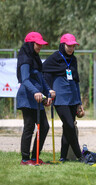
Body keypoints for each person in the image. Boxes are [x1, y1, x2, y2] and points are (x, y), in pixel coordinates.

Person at [42, 33, 84, 162]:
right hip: (60, 99)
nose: (71, 48)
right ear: (62, 45)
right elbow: (44, 74)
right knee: (70, 126)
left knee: (67, 129)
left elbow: (76, 81)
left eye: (73, 46)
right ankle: (80, 156)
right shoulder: (54, 58)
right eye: (69, 46)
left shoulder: (73, 60)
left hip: (73, 99)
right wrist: (48, 91)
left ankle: (63, 157)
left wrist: (79, 102)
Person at [16, 32, 55, 165]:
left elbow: (41, 79)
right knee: (29, 127)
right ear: (30, 44)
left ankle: (35, 157)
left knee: (44, 127)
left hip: (37, 98)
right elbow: (25, 80)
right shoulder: (25, 59)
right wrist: (35, 92)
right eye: (38, 44)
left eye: (41, 44)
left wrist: (48, 93)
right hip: (27, 98)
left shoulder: (36, 59)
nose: (40, 46)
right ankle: (25, 159)